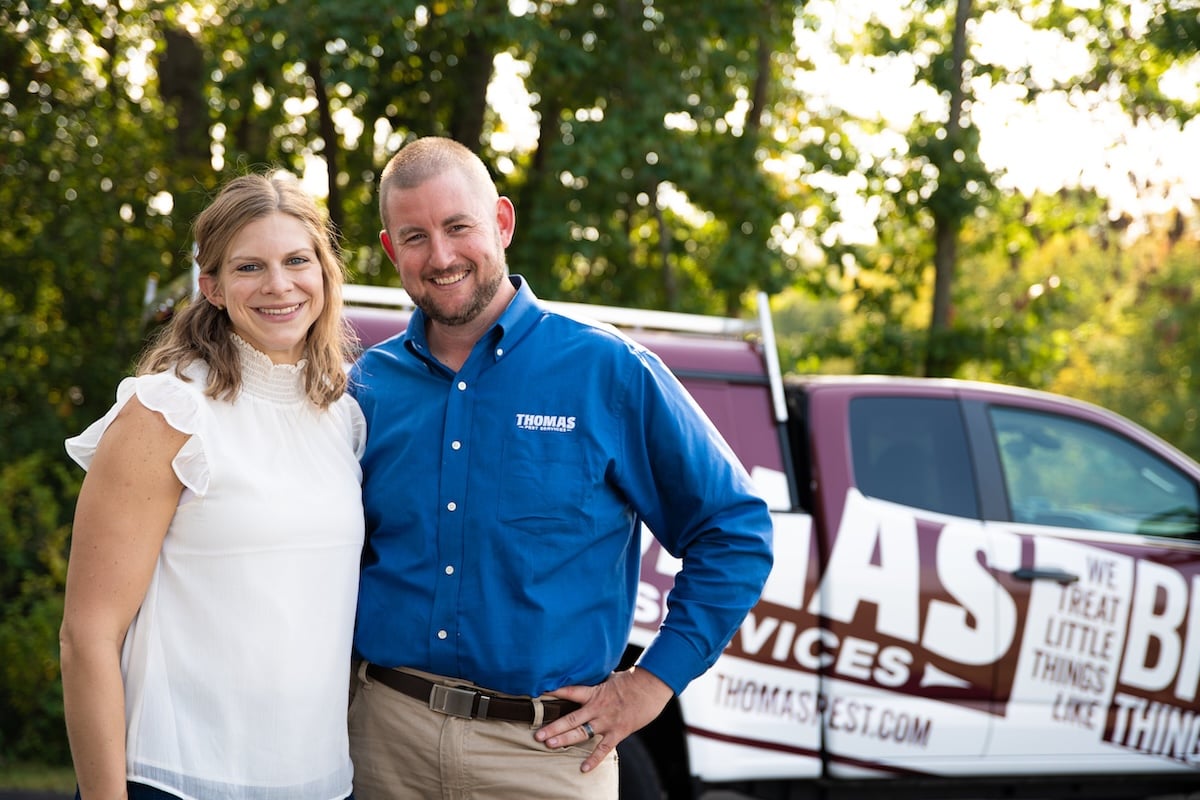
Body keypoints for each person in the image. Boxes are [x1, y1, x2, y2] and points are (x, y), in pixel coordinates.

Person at [347, 136, 774, 799]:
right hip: (383, 744)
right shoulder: (367, 387)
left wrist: (653, 682)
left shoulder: (607, 370)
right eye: (415, 237)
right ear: (389, 248)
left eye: (458, 227)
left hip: (545, 758)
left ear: (502, 222)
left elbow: (735, 531)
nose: (441, 256)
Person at [59, 172, 365, 800]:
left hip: (321, 784)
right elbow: (87, 636)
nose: (278, 285)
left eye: (297, 260)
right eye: (250, 266)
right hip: (176, 779)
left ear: (325, 273)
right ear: (213, 287)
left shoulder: (343, 419)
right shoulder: (169, 412)